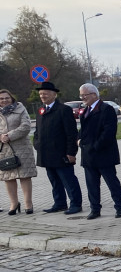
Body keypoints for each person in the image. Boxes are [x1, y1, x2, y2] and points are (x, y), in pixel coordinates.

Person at [33, 81, 83, 214]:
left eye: (46, 93)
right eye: (41, 94)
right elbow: (37, 131)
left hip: (61, 153)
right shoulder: (41, 110)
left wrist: (71, 153)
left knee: (68, 180)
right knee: (54, 181)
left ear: (54, 94)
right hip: (46, 153)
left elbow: (71, 133)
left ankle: (76, 204)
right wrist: (36, 143)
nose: (43, 96)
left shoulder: (63, 110)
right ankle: (60, 203)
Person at [77, 83, 121, 219]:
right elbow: (83, 130)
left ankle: (120, 207)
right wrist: (79, 139)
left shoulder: (106, 109)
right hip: (88, 156)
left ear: (94, 94)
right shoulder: (85, 110)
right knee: (92, 185)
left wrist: (95, 146)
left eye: (84, 95)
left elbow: (109, 132)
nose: (82, 98)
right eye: (81, 95)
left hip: (104, 154)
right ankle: (95, 209)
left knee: (112, 182)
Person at [0, 88, 36, 214]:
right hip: (4, 149)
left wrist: (9, 135)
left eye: (7, 98)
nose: (4, 100)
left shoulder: (20, 109)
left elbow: (26, 126)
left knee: (24, 176)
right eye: (1, 98)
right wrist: (1, 137)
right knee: (8, 177)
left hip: (21, 148)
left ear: (12, 98)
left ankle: (28, 203)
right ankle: (14, 204)